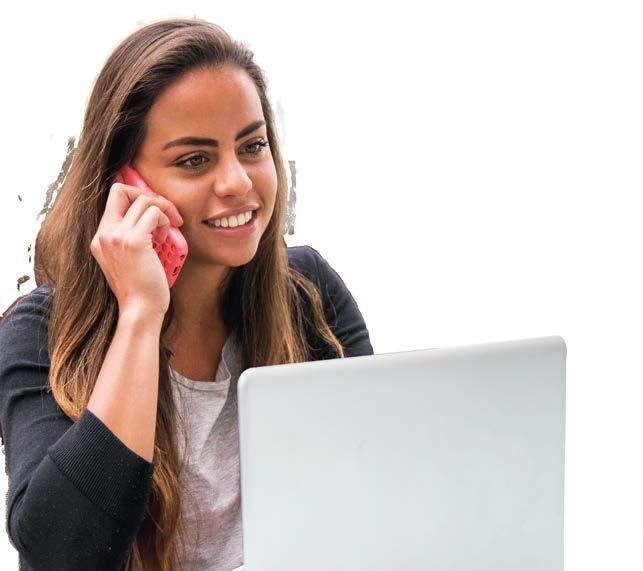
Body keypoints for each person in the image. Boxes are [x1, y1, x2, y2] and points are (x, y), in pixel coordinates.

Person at [0, 17, 373, 571]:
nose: (238, 182)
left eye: (252, 146)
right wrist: (139, 314)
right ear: (124, 185)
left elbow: (379, 489)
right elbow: (64, 555)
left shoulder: (309, 293)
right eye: (194, 160)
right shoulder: (40, 332)